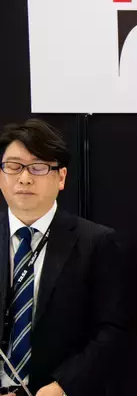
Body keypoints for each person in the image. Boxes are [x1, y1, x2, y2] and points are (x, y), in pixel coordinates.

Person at [0, 119, 126, 396]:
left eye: (38, 167)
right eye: (13, 166)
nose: (24, 178)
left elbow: (111, 329)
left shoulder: (95, 242)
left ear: (61, 177)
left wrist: (63, 386)